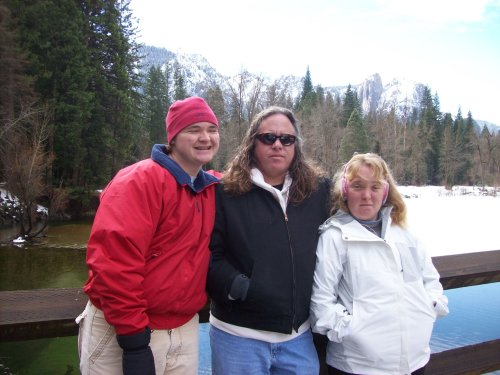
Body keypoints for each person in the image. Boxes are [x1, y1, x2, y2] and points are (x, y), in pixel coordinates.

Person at [77, 96, 220, 375]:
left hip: (184, 330)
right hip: (124, 330)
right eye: (193, 129)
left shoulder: (211, 189)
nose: (205, 137)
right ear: (173, 138)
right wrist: (133, 341)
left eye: (211, 129)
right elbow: (114, 264)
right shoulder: (138, 181)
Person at [206, 106, 332, 374]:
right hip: (238, 337)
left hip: (298, 339)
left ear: (296, 146)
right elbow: (207, 254)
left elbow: (358, 211)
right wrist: (239, 287)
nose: (278, 145)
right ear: (253, 142)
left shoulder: (317, 191)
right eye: (268, 138)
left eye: (287, 139)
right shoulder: (225, 192)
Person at [310, 153, 449, 375]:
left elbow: (430, 282)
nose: (367, 195)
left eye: (375, 187)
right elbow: (321, 306)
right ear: (345, 191)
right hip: (358, 367)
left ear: (385, 192)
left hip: (414, 361)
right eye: (357, 186)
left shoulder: (403, 233)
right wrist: (354, 331)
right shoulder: (335, 236)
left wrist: (430, 308)